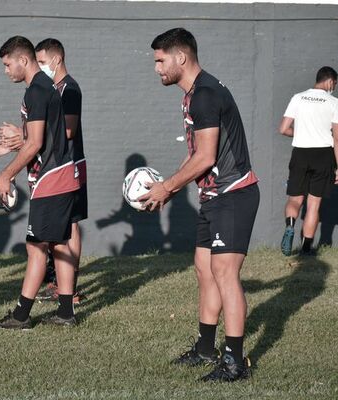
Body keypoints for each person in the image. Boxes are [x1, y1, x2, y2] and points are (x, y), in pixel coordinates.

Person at [141, 28, 259, 382]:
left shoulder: (205, 94)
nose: (157, 68)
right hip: (214, 196)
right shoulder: (193, 95)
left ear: (181, 57)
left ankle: (235, 362)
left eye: (161, 61)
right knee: (204, 269)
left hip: (234, 195)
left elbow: (206, 157)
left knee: (224, 273)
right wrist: (171, 189)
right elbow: (196, 155)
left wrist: (167, 186)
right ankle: (206, 349)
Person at [0, 36, 79, 330]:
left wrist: (6, 174)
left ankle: (21, 315)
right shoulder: (43, 89)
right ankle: (66, 312)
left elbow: (36, 142)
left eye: (7, 64)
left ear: (22, 60)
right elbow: (42, 138)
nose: (6, 70)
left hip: (52, 179)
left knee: (36, 247)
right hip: (57, 177)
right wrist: (16, 145)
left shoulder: (36, 91)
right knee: (59, 243)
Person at [279, 67, 338, 256]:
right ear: (330, 82)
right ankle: (306, 249)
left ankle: (290, 226)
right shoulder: (333, 102)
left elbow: (283, 129)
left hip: (300, 153)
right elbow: (336, 137)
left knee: (295, 199)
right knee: (313, 204)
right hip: (323, 155)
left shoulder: (298, 98)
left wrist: (302, 134)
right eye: (335, 84)